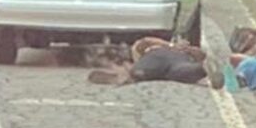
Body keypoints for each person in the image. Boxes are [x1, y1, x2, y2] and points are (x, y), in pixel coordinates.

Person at [87, 36, 224, 89]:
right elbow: (144, 42)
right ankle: (203, 69)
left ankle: (203, 69)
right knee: (181, 72)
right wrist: (174, 46)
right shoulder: (150, 47)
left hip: (167, 62)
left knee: (178, 72)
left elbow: (200, 54)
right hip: (168, 61)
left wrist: (184, 48)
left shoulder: (153, 48)